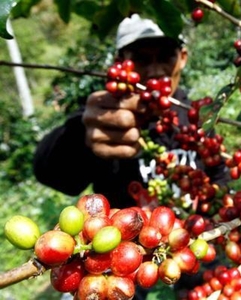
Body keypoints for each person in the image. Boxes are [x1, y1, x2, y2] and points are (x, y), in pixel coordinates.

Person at [33, 14, 228, 209]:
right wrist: (81, 137)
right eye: (141, 59)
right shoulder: (105, 118)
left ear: (182, 58)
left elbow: (219, 172)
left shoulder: (197, 116)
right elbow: (51, 174)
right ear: (120, 63)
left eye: (166, 56)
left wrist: (214, 205)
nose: (155, 71)